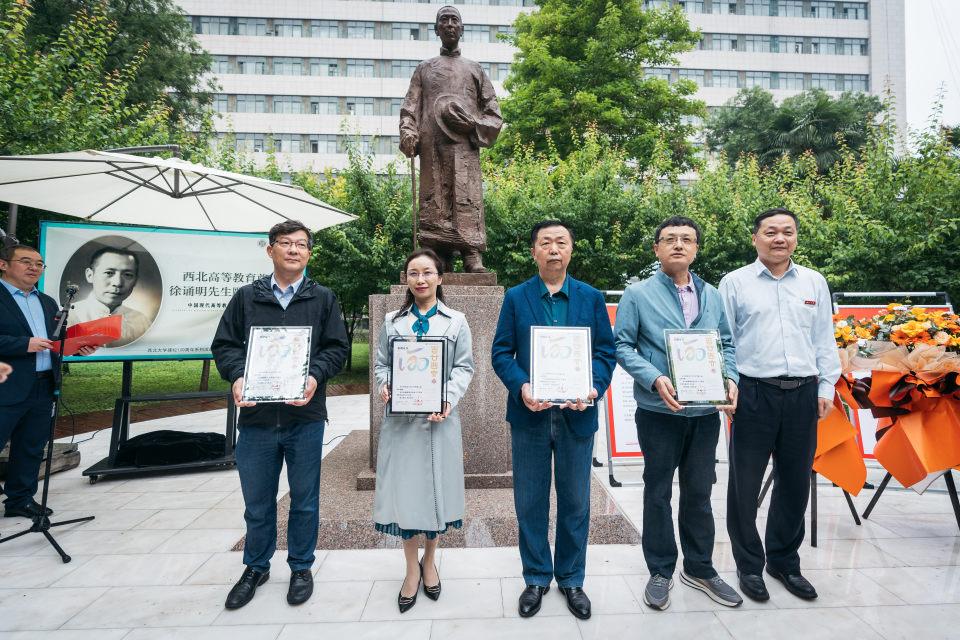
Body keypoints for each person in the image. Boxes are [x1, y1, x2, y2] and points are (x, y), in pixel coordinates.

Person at [211, 220, 349, 610]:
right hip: (256, 420)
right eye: (285, 243)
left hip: (305, 419)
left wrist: (314, 376)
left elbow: (337, 348)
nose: (293, 250)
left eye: (301, 244)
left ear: (309, 253)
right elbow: (224, 345)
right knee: (257, 502)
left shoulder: (323, 298)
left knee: (304, 500)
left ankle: (301, 566)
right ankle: (256, 566)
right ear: (270, 250)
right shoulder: (246, 297)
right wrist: (238, 375)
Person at [614, 216, 742, 610]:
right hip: (658, 412)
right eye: (669, 239)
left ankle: (700, 567)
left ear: (696, 249)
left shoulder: (712, 295)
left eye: (687, 239)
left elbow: (726, 344)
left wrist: (731, 379)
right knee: (657, 492)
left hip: (704, 414)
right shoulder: (637, 294)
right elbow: (622, 346)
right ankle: (660, 570)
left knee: (700, 492)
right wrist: (654, 378)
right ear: (657, 249)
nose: (678, 245)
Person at [491, 220, 617, 620]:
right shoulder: (516, 297)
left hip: (577, 415)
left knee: (576, 501)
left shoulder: (590, 297)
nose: (553, 249)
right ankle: (536, 577)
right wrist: (522, 386)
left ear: (571, 250)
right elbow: (501, 352)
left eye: (561, 242)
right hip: (530, 415)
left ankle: (571, 578)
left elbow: (605, 352)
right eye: (545, 243)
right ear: (534, 252)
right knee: (530, 502)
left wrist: (593, 387)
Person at [719, 207, 841, 602]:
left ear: (796, 238)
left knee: (795, 482)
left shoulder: (813, 281)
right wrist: (728, 386)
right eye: (771, 231)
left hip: (803, 393)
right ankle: (748, 565)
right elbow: (724, 342)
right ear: (755, 238)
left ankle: (785, 562)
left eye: (787, 231)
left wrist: (826, 387)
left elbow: (824, 339)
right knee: (745, 484)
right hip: (753, 393)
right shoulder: (735, 283)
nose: (779, 238)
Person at [373, 248, 475, 613]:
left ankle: (429, 561)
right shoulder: (391, 322)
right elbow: (381, 365)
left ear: (440, 278)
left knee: (435, 492)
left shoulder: (456, 321)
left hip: (438, 422)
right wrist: (385, 385)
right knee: (406, 494)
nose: (420, 279)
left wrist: (446, 398)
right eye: (413, 273)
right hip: (400, 424)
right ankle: (410, 569)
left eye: (427, 272)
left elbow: (464, 368)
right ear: (406, 279)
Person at [399, 5, 502, 273]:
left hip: (465, 147)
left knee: (467, 196)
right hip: (431, 147)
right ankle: (437, 253)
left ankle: (471, 253)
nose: (449, 24)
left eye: (454, 20)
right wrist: (408, 132)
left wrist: (473, 125)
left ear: (462, 28)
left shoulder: (475, 69)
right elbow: (410, 109)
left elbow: (494, 115)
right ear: (436, 29)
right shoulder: (424, 69)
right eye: (443, 20)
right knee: (434, 198)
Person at [0, 244, 94, 518]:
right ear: (3, 264)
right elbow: (29, 342)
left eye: (39, 264)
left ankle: (20, 500)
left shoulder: (47, 301)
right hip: (6, 385)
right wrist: (23, 344)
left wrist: (78, 347)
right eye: (25, 261)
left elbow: (54, 341)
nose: (34, 268)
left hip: (42, 385)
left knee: (30, 447)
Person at [69, 246, 151, 346]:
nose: (118, 283)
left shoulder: (141, 321)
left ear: (135, 280)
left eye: (127, 275)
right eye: (109, 273)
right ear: (90, 275)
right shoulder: (68, 315)